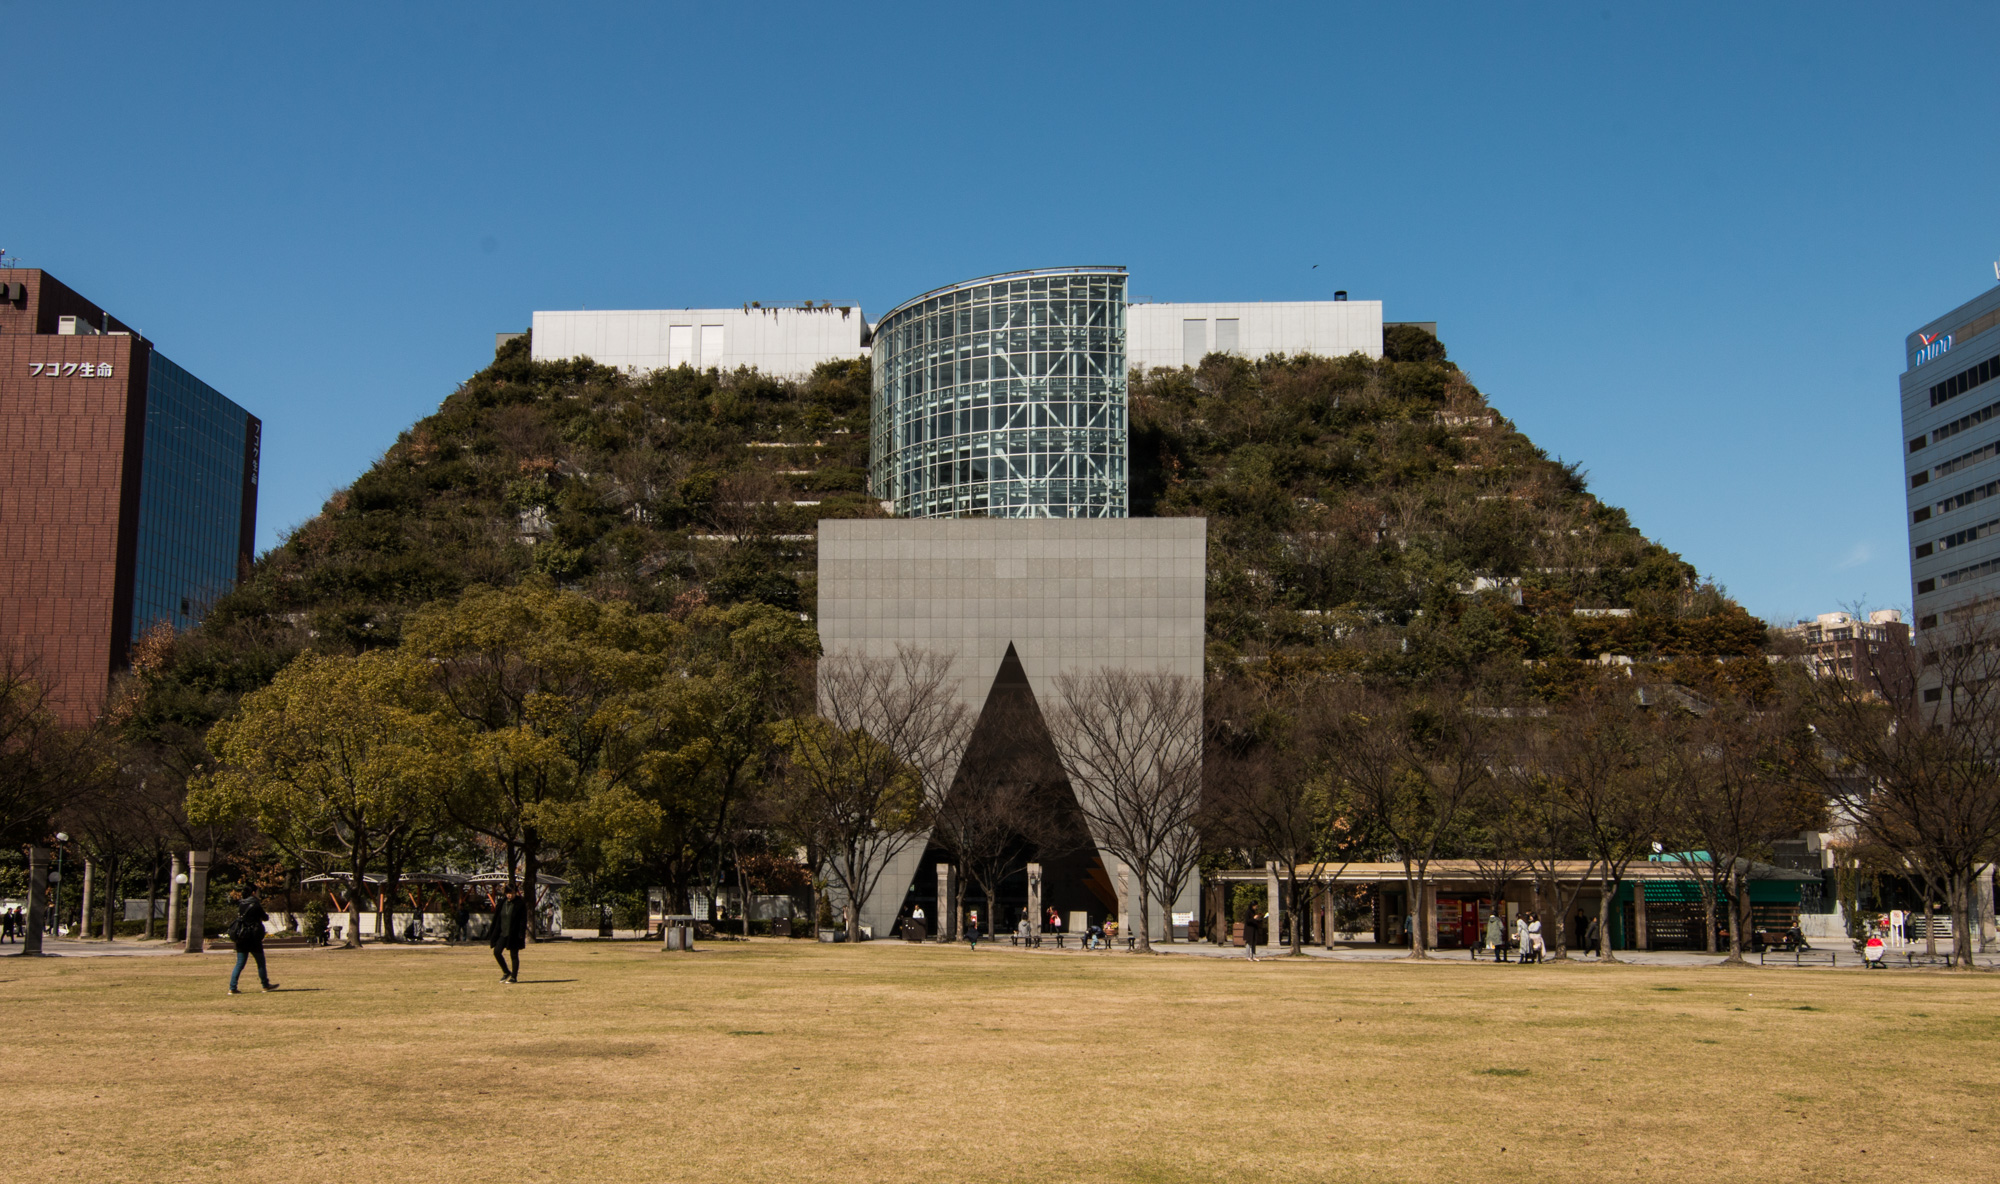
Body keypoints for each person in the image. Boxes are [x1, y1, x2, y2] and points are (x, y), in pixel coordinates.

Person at [227, 887, 279, 995]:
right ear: (253, 893)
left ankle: (232, 987)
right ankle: (265, 985)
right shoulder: (255, 904)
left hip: (241, 937)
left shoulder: (241, 904)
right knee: (260, 962)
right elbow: (265, 917)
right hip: (253, 938)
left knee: (240, 963)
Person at [490, 885, 528, 983]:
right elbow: (497, 919)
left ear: (515, 893)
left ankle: (514, 977)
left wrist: (521, 933)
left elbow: (523, 920)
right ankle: (506, 972)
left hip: (514, 933)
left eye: (511, 893)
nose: (509, 895)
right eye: (508, 893)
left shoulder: (520, 904)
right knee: (497, 952)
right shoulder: (502, 903)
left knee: (514, 955)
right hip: (503, 933)